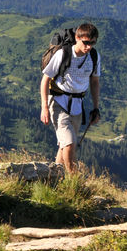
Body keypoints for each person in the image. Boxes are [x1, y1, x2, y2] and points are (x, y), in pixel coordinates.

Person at [40, 23, 101, 173]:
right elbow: (45, 80)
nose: (89, 47)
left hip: (77, 105)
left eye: (92, 43)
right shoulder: (63, 54)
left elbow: (95, 82)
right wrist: (44, 107)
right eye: (85, 42)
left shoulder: (94, 56)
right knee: (69, 143)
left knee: (64, 144)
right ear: (77, 38)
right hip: (58, 101)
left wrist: (95, 108)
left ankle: (55, 178)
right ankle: (73, 181)